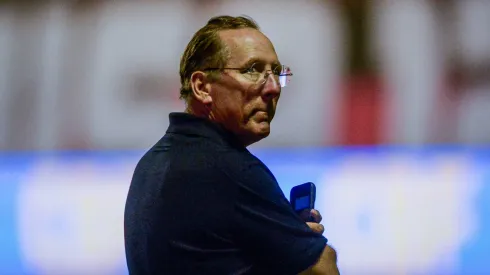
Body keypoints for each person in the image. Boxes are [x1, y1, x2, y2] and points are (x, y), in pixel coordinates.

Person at [124, 15, 339, 275]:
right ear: (202, 87)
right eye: (253, 70)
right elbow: (323, 269)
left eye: (276, 72)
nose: (272, 88)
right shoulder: (231, 170)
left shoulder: (150, 164)